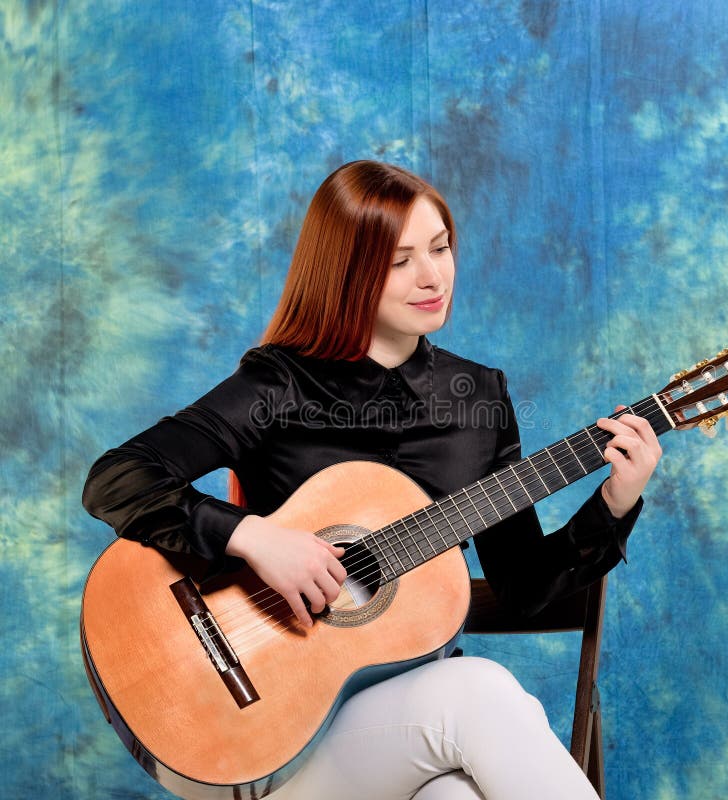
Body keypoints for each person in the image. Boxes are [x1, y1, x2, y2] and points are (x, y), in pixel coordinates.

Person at [82, 160, 661, 799]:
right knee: (479, 691)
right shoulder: (278, 385)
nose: (432, 276)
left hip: (412, 733)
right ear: (348, 272)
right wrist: (255, 538)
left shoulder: (478, 400)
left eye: (440, 249)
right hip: (265, 736)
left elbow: (523, 588)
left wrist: (614, 501)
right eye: (400, 261)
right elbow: (118, 478)